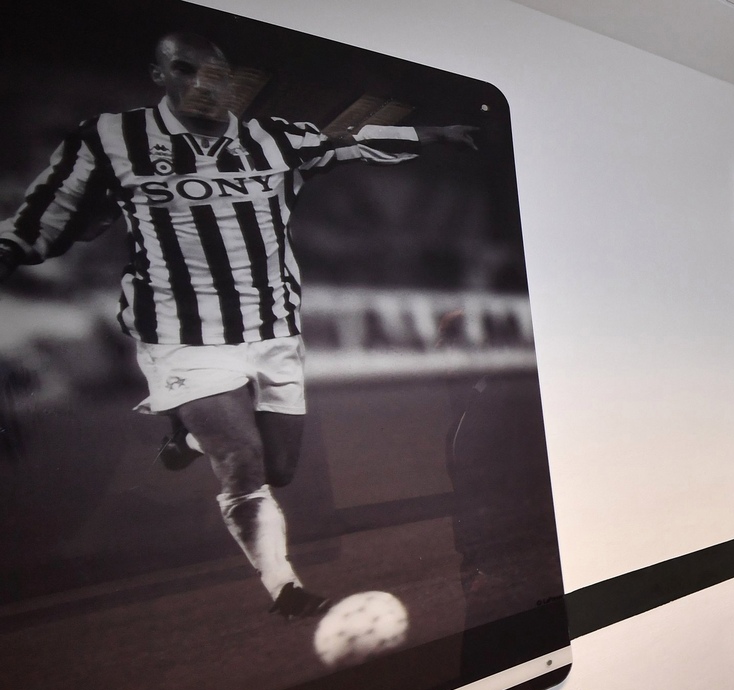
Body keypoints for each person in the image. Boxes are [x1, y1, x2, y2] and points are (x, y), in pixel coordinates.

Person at [0, 32, 477, 620]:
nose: (203, 84)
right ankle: (283, 586)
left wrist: (439, 135)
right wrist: (10, 247)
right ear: (160, 75)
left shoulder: (275, 138)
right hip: (181, 334)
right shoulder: (109, 137)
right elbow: (47, 210)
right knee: (244, 465)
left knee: (280, 468)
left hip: (273, 329)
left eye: (217, 74)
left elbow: (351, 144)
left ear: (232, 82)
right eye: (185, 69)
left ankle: (188, 432)